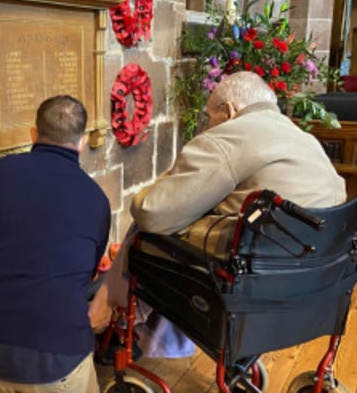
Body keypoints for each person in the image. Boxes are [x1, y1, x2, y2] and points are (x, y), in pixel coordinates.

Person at [89, 71, 347, 355]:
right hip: (318, 276)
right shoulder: (302, 137)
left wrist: (161, 182)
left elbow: (152, 212)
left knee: (147, 230)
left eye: (209, 118)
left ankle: (115, 312)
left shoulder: (230, 136)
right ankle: (126, 314)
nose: (208, 126)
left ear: (229, 110)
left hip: (255, 277)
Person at [0, 95, 111, 393]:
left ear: (34, 133)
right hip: (54, 361)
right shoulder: (96, 199)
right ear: (82, 142)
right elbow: (87, 273)